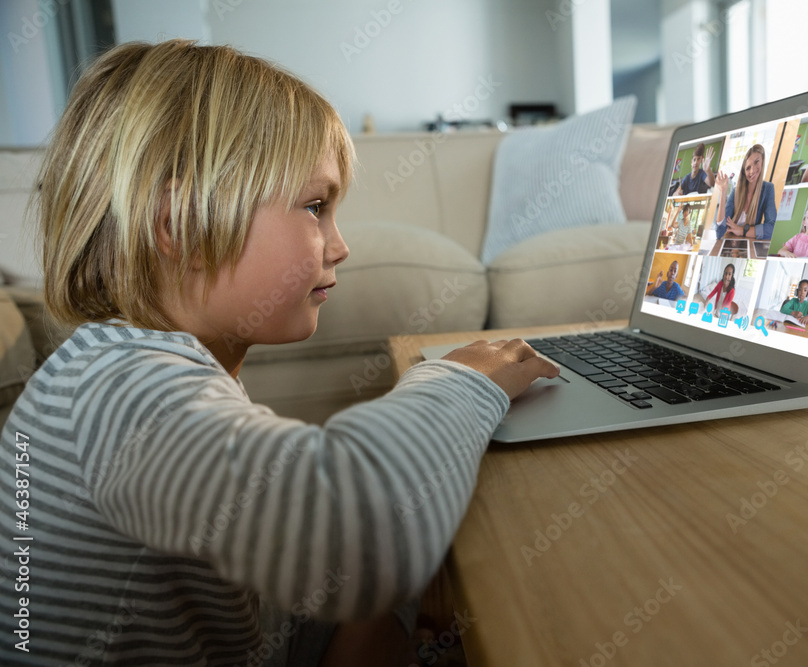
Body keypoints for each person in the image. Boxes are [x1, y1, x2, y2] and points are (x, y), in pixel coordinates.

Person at [0, 40, 558, 666]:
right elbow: (360, 537)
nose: (339, 245)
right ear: (180, 222)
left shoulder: (129, 363)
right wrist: (459, 381)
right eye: (316, 207)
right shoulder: (121, 387)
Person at [713, 144, 777, 241]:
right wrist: (723, 192)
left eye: (756, 162)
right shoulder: (736, 191)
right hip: (730, 243)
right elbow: (719, 232)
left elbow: (772, 229)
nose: (752, 170)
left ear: (762, 161)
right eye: (748, 168)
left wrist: (742, 231)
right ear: (744, 172)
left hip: (749, 245)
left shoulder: (767, 189)